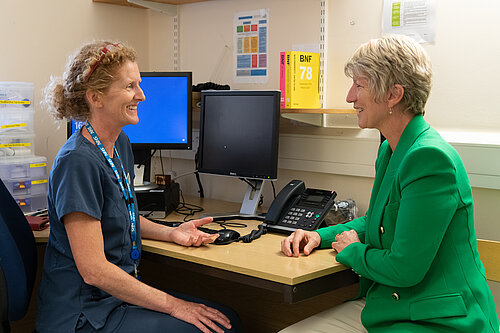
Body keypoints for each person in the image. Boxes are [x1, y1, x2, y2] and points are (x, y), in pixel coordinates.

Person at [280, 34, 499, 332]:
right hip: (395, 305)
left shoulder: (430, 159)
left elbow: (405, 268)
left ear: (393, 95)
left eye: (359, 86)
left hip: (439, 319)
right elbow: (377, 222)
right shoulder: (391, 148)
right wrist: (320, 236)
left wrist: (353, 251)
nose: (349, 97)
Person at [36, 41, 242, 333]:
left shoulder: (118, 143)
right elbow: (94, 270)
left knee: (227, 318)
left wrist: (172, 232)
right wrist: (174, 305)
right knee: (216, 328)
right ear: (96, 97)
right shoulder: (77, 162)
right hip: (83, 314)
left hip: (115, 298)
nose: (142, 95)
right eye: (130, 86)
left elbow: (121, 215)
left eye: (139, 85)